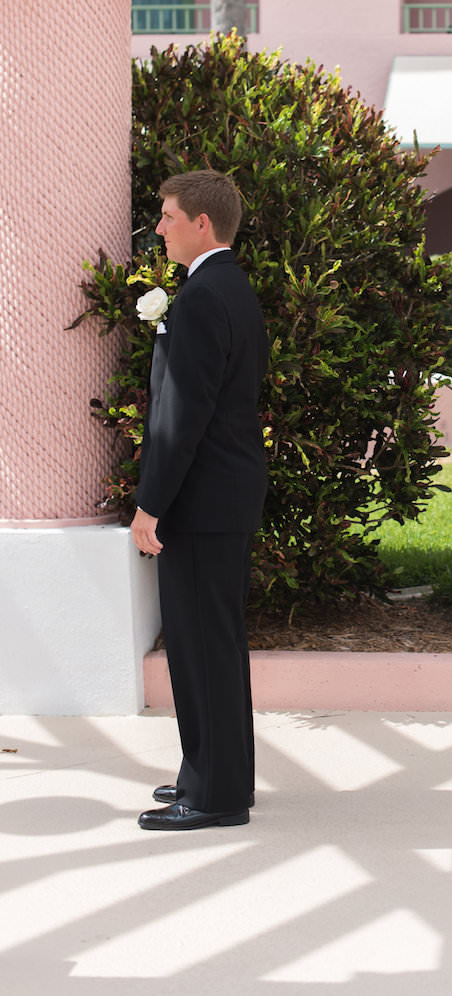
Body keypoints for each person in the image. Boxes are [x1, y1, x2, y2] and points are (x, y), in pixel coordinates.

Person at [130, 170, 268, 831]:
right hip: (223, 497)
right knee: (210, 645)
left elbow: (182, 417)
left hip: (203, 502)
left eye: (167, 216)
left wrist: (150, 504)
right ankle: (210, 774)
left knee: (202, 645)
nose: (159, 227)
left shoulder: (203, 298)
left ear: (201, 224)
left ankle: (216, 797)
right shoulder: (226, 287)